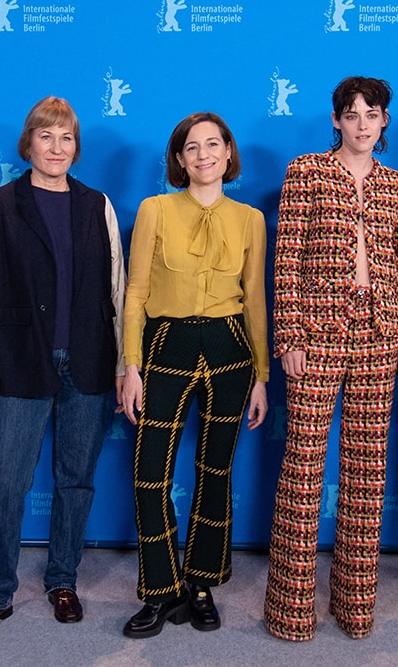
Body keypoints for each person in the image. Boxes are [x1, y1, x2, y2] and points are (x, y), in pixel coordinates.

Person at [264, 76, 398, 642]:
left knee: (366, 475)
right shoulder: (305, 171)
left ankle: (355, 607)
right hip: (317, 333)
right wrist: (289, 337)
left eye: (372, 113)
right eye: (351, 113)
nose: (361, 122)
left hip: (380, 335)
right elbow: (285, 259)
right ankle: (291, 611)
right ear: (336, 120)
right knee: (304, 471)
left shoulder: (397, 186)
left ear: (384, 122)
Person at [0, 97, 126, 637]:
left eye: (67, 138)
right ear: (28, 143)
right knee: (6, 481)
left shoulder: (97, 205)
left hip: (90, 360)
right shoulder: (0, 205)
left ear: (77, 147)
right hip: (21, 361)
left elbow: (118, 292)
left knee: (75, 480)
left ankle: (63, 580)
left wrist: (127, 365)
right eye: (46, 136)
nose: (57, 148)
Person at [119, 112, 268, 639]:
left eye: (213, 144)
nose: (203, 154)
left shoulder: (251, 218)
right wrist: (130, 364)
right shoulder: (155, 210)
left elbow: (255, 299)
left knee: (216, 472)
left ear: (228, 152)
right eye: (191, 147)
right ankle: (160, 590)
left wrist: (262, 375)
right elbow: (134, 293)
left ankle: (201, 584)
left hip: (232, 348)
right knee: (150, 473)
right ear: (179, 159)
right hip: (166, 343)